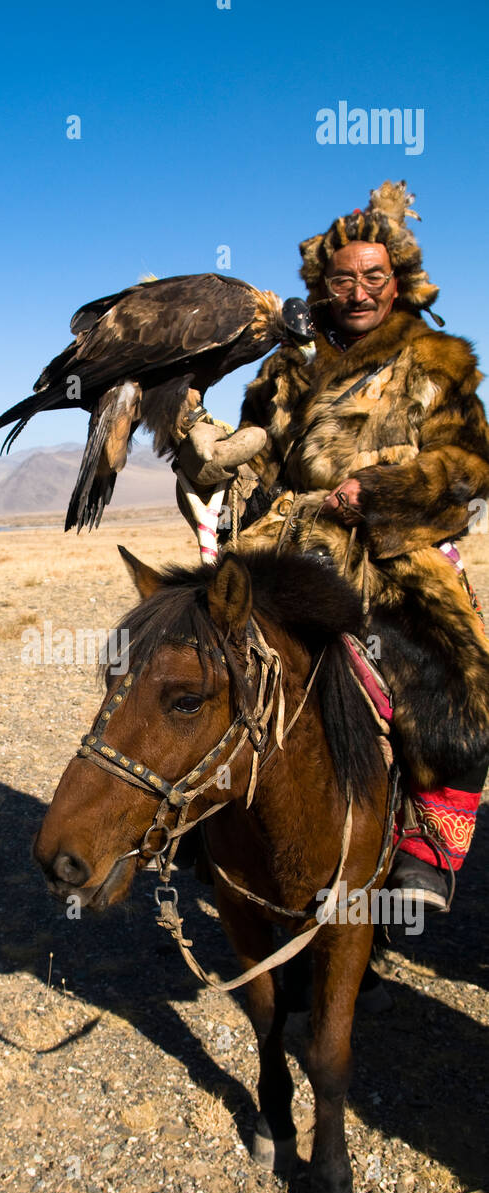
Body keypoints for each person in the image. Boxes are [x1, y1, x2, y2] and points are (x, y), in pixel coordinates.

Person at [182, 180, 489, 914]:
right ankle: (200, 821)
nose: (357, 293)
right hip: (286, 542)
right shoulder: (286, 368)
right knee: (194, 656)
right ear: (322, 285)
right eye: (342, 279)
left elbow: (470, 468)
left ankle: (423, 851)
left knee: (455, 683)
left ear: (399, 282)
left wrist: (378, 493)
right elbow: (256, 462)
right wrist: (210, 462)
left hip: (392, 553)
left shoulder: (435, 359)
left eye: (373, 278)